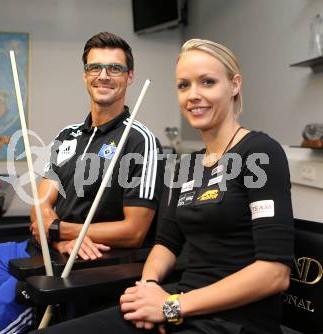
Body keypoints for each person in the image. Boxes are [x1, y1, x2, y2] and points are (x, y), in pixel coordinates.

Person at [30, 39, 295, 334]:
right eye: (184, 85)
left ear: (234, 85)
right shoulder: (185, 166)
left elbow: (275, 273)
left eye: (207, 82)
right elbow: (166, 243)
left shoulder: (260, 153)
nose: (193, 95)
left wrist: (171, 306)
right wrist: (148, 289)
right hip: (178, 304)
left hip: (234, 321)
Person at [0, 32, 164, 334]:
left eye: (115, 68)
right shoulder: (67, 136)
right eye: (95, 67)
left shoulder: (140, 140)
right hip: (32, 250)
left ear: (130, 76)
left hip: (68, 266)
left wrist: (59, 231)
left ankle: (14, 316)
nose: (104, 76)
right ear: (85, 75)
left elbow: (134, 231)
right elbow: (40, 205)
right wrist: (55, 235)